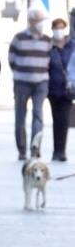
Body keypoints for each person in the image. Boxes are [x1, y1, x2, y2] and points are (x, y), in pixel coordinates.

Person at [8, 7, 51, 159]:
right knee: (20, 115)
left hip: (41, 83)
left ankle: (35, 148)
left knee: (38, 114)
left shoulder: (47, 40)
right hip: (21, 82)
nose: (41, 24)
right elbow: (11, 59)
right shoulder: (19, 38)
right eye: (39, 21)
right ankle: (21, 150)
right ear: (31, 21)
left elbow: (50, 60)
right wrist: (21, 72)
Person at [47, 16, 74, 162]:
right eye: (56, 28)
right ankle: (56, 151)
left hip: (67, 89)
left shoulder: (72, 45)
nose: (59, 30)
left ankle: (61, 151)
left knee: (64, 121)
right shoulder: (49, 46)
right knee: (56, 119)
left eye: (61, 28)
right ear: (52, 29)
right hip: (52, 88)